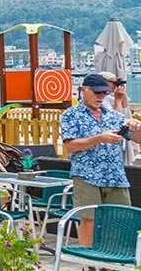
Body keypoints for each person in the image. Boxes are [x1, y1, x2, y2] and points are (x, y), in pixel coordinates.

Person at [61, 73, 141, 247]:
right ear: (83, 90)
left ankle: (114, 258)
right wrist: (100, 138)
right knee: (89, 219)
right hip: (87, 175)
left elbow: (138, 138)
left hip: (115, 176)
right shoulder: (71, 115)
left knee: (122, 219)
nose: (101, 96)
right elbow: (71, 146)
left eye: (105, 93)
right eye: (97, 92)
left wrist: (136, 126)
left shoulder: (114, 116)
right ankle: (89, 259)